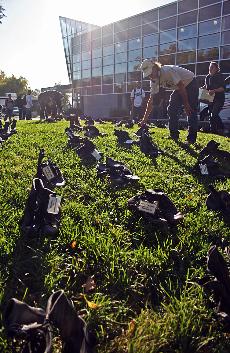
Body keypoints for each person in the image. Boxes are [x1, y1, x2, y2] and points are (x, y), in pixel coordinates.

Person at [140, 59, 199, 144]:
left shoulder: (167, 71)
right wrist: (144, 120)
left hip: (190, 83)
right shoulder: (154, 81)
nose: (150, 76)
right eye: (148, 75)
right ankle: (174, 134)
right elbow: (151, 101)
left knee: (190, 110)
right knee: (171, 109)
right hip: (179, 87)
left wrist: (186, 104)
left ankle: (191, 139)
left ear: (155, 67)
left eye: (151, 73)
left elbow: (181, 86)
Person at [203, 61, 225, 134]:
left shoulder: (220, 76)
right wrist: (201, 89)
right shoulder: (207, 77)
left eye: (212, 67)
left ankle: (221, 128)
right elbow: (207, 87)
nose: (210, 68)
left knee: (214, 114)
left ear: (216, 68)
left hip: (219, 99)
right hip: (210, 99)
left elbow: (222, 88)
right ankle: (213, 131)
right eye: (209, 67)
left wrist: (214, 90)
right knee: (211, 114)